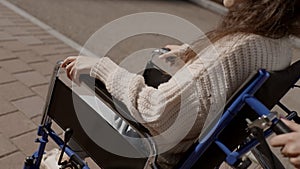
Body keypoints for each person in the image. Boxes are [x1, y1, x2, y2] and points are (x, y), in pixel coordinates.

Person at [61, 0, 300, 168]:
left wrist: (102, 67)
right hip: (195, 145)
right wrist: (193, 54)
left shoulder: (237, 46)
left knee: (79, 100)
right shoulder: (278, 44)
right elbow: (228, 67)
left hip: (156, 146)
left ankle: (60, 161)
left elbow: (156, 110)